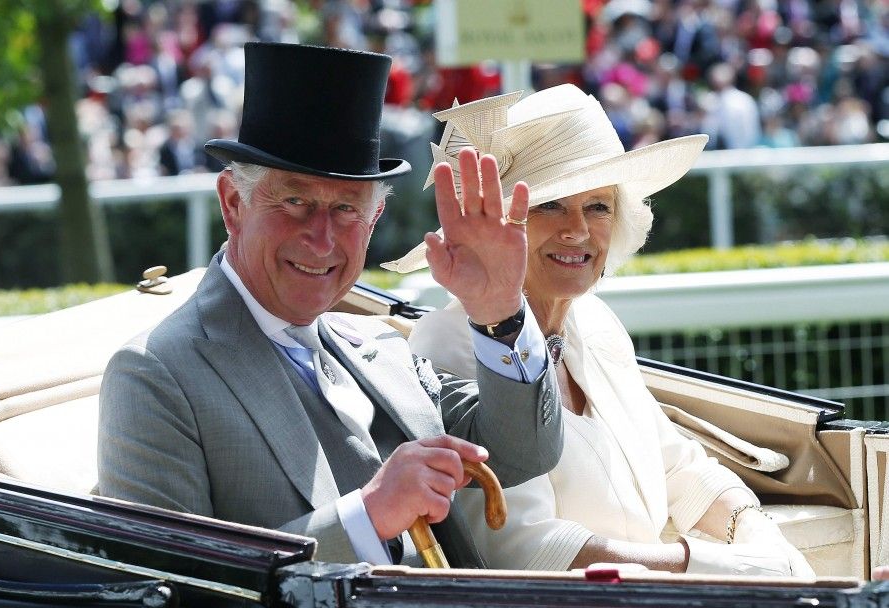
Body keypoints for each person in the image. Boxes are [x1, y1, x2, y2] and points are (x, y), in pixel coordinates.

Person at [97, 42, 562, 568]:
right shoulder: (157, 375)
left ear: (375, 218)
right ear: (233, 204)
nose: (321, 240)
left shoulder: (380, 346)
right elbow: (170, 584)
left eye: (346, 208)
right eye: (294, 202)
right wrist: (366, 517)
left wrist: (499, 310)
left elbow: (525, 453)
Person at [384, 84, 814, 577]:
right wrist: (713, 568)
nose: (578, 231)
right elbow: (520, 549)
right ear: (493, 226)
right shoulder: (451, 345)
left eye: (598, 207)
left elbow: (679, 467)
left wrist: (755, 531)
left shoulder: (595, 322)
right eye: (547, 207)